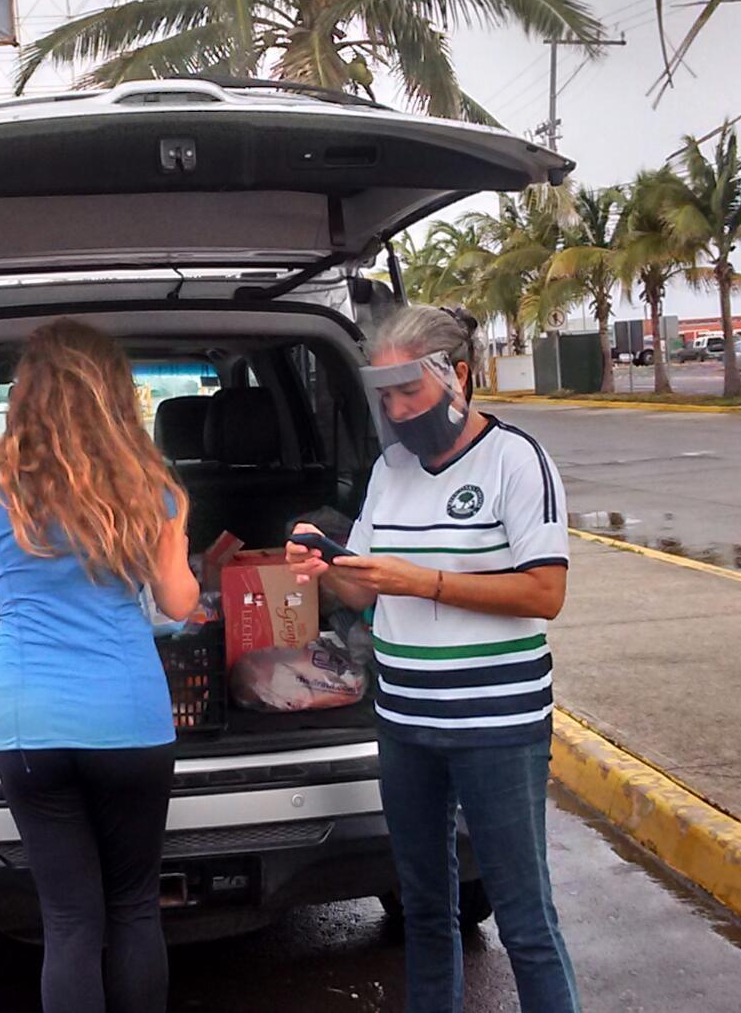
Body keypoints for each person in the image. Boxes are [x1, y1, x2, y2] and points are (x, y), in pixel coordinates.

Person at [286, 305, 580, 1013]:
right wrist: (324, 566)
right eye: (383, 393)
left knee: (524, 917)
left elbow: (546, 590)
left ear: (459, 378)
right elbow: (366, 582)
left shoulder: (518, 461)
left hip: (498, 727)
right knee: (424, 909)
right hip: (405, 723)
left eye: (407, 389)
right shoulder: (391, 471)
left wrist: (421, 579)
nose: (394, 408)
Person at [0, 319, 199, 1013]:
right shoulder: (151, 487)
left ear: (25, 396)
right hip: (130, 718)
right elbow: (178, 601)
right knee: (133, 909)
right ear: (114, 395)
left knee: (68, 921)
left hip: (31, 725)